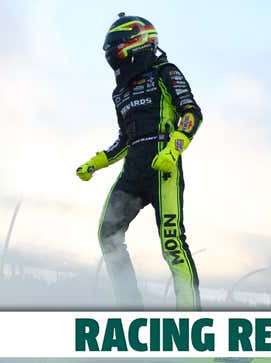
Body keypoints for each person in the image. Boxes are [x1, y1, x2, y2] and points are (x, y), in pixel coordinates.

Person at [76, 13, 203, 310]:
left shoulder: (165, 71)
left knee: (172, 244)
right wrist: (97, 162)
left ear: (136, 42)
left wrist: (174, 149)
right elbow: (124, 139)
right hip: (133, 169)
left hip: (164, 167)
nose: (112, 54)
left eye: (116, 46)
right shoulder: (119, 92)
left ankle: (193, 322)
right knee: (107, 234)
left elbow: (191, 113)